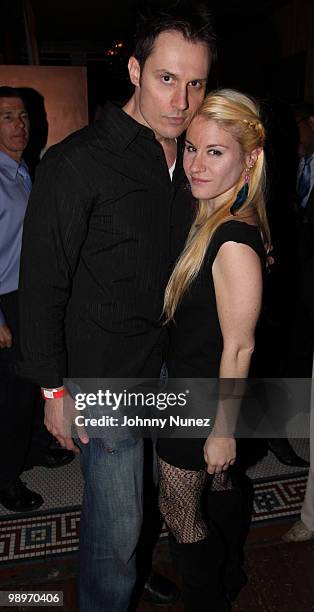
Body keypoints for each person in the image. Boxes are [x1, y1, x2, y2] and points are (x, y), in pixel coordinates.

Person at [17, 5, 216, 611]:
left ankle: (132, 571)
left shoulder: (191, 160)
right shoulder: (75, 163)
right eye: (166, 78)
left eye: (197, 82)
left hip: (169, 364)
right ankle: (109, 593)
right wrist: (53, 392)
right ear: (133, 69)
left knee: (152, 498)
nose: (183, 100)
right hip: (106, 372)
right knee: (116, 526)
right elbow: (41, 285)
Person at [157, 89, 270, 611]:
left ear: (249, 159)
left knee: (180, 513)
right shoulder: (214, 217)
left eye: (215, 152)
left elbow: (240, 347)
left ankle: (209, 598)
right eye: (191, 148)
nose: (196, 164)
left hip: (199, 404)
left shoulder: (230, 240)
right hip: (196, 390)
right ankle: (228, 575)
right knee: (219, 492)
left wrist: (222, 432)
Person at [0, 87, 73, 514]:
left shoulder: (22, 170)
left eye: (23, 116)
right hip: (6, 300)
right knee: (8, 397)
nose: (19, 125)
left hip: (29, 295)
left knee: (29, 386)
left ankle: (30, 451)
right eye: (8, 117)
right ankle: (5, 479)